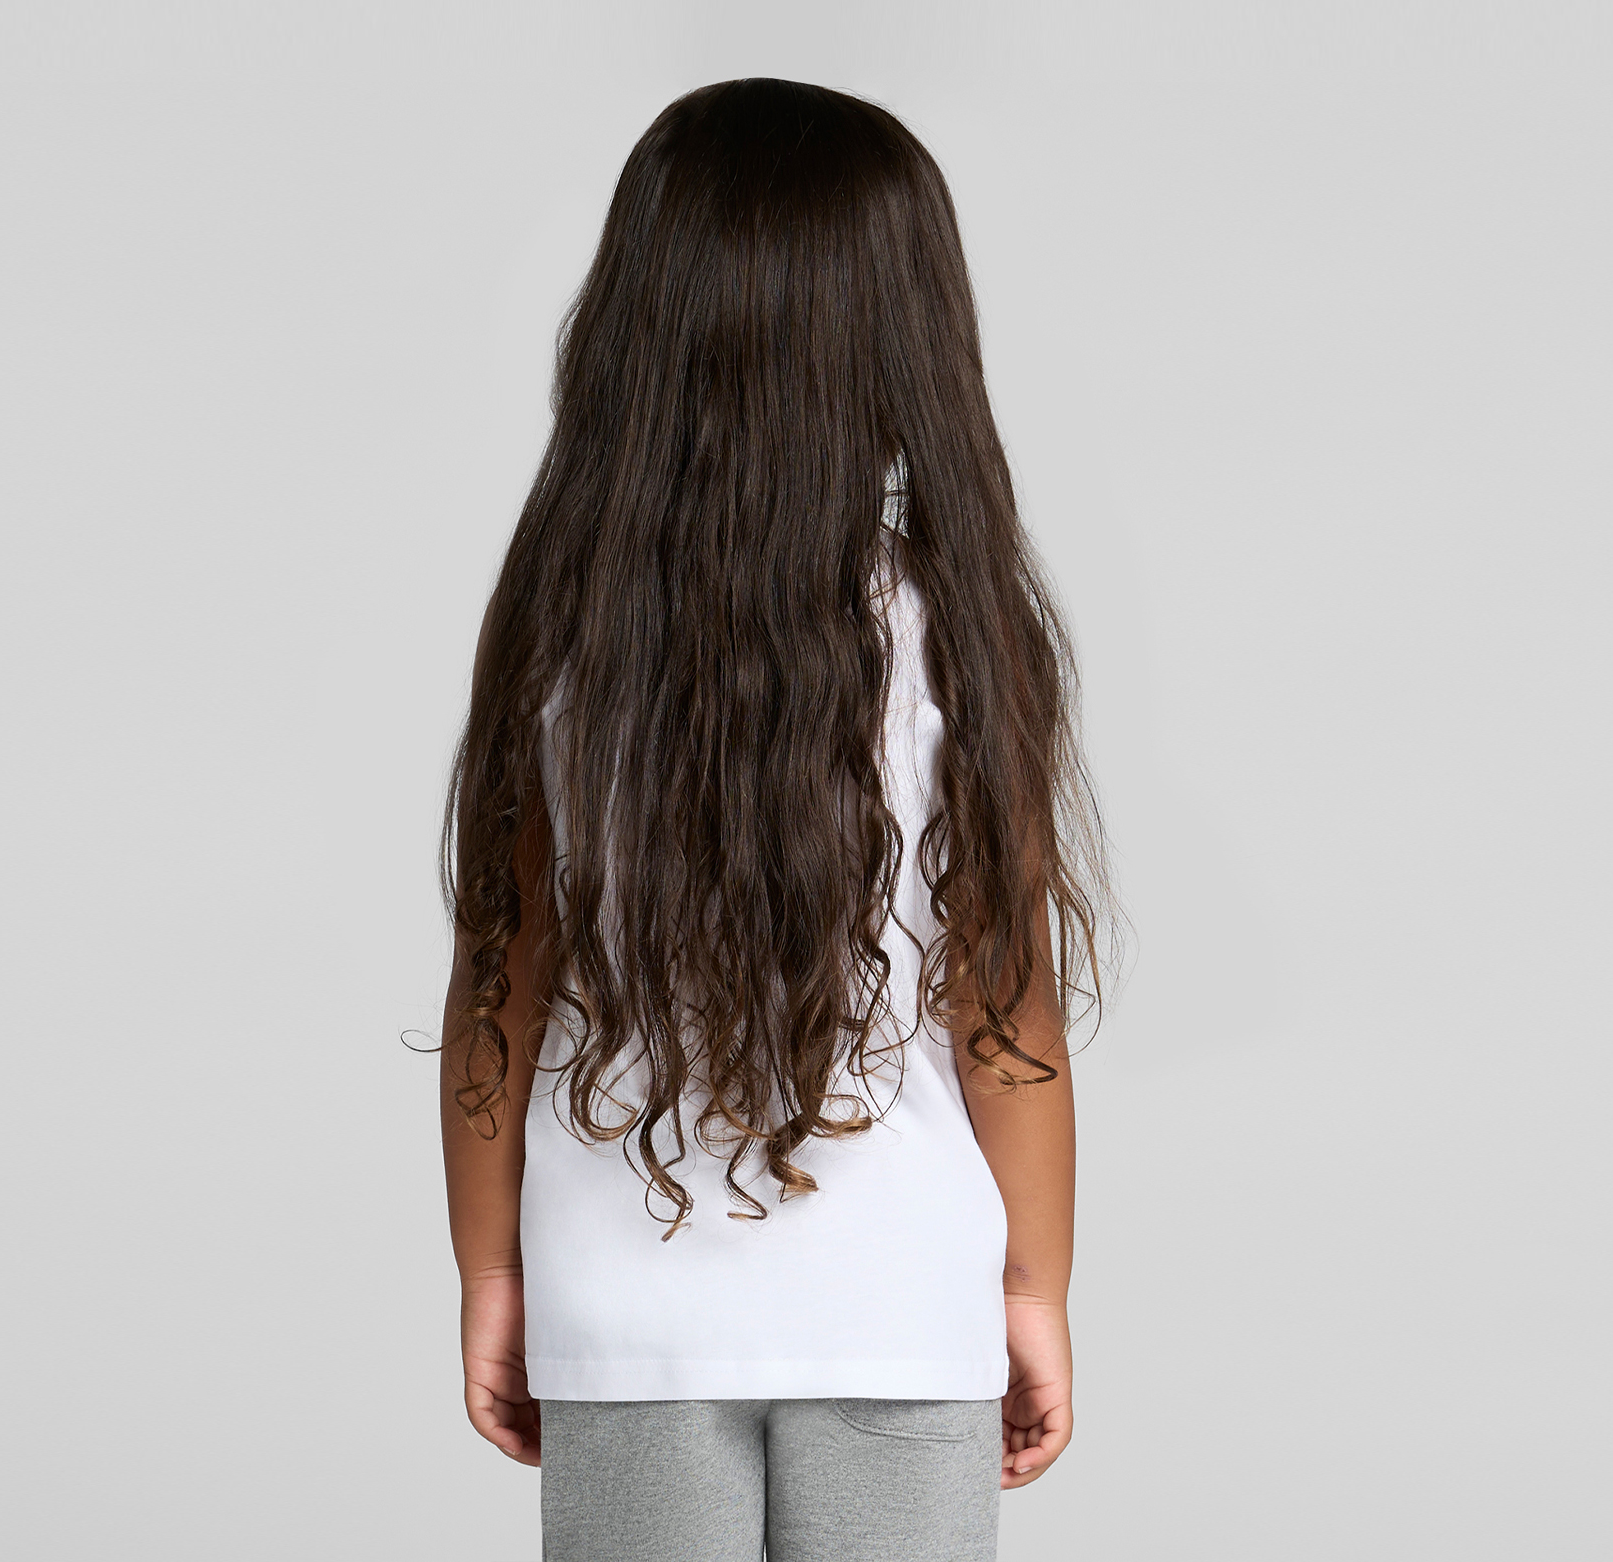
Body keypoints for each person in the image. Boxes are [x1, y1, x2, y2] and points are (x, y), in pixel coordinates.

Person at [440, 78, 1113, 1561]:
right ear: (907, 338)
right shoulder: (956, 629)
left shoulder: (563, 628)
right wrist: (1032, 1290)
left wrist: (492, 1273)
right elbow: (1004, 1001)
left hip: (624, 1307)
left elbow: (501, 972)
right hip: (899, 1302)